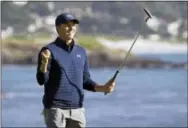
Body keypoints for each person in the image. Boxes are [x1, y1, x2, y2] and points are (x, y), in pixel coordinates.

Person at [36, 12, 115, 128]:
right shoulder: (49, 51)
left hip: (77, 109)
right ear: (58, 28)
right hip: (55, 109)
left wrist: (102, 88)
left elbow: (85, 81)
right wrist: (44, 63)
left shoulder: (81, 52)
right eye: (67, 25)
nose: (71, 28)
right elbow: (41, 80)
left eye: (73, 25)